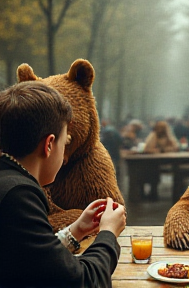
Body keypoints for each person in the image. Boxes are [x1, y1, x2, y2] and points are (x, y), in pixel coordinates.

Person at [0, 81, 126, 288]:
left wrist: (75, 230)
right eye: (65, 141)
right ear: (49, 144)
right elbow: (84, 282)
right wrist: (108, 233)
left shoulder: (8, 182)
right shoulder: (18, 196)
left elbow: (34, 262)